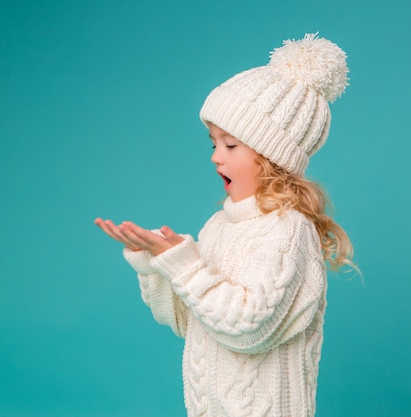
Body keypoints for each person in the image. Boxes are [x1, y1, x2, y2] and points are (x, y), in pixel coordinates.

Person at [95, 33, 356, 417]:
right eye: (213, 142)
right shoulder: (219, 225)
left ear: (272, 157)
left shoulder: (287, 231)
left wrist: (183, 264)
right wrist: (155, 264)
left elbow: (247, 327)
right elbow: (193, 322)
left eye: (231, 145)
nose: (216, 156)